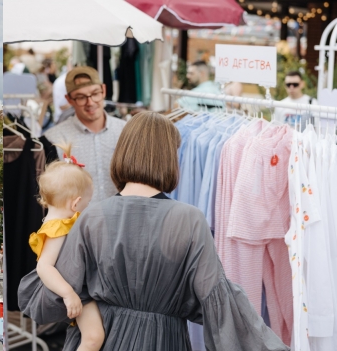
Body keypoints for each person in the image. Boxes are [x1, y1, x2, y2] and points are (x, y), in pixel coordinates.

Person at [18, 111, 289, 350]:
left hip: (102, 336)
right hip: (164, 339)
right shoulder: (190, 220)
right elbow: (216, 301)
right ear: (169, 157)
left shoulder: (92, 217)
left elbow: (50, 296)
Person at [26, 143, 100, 351]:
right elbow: (44, 267)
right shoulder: (58, 228)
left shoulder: (59, 224)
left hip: (79, 289)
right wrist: (69, 294)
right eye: (87, 203)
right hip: (77, 291)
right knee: (93, 337)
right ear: (75, 204)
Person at [43, 66, 126, 202]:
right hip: (78, 222)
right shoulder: (53, 139)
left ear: (103, 90)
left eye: (95, 94)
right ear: (69, 99)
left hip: (121, 219)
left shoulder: (126, 132)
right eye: (81, 97)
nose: (90, 102)